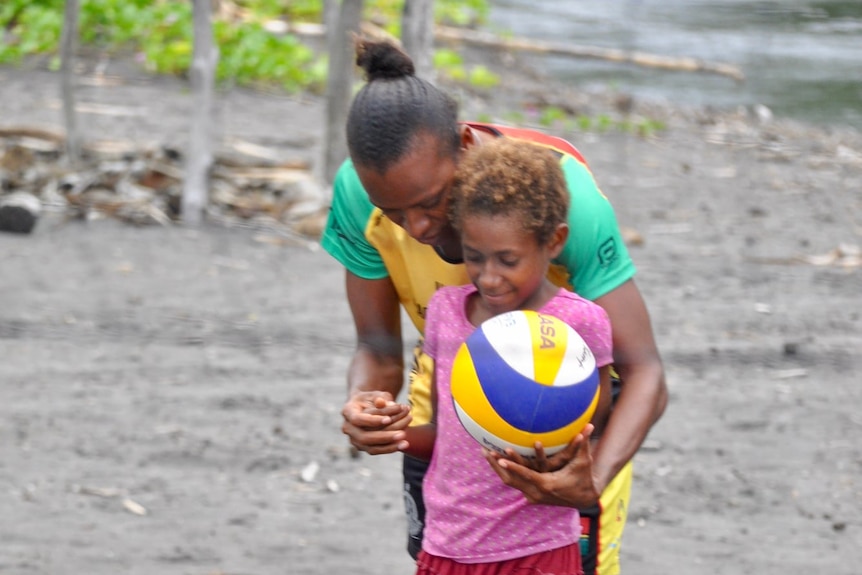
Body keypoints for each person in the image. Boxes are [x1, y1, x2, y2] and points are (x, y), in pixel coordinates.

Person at [321, 38, 667, 575]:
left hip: (567, 417)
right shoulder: (357, 192)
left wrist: (591, 474)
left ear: (463, 145)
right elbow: (378, 348)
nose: (416, 228)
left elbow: (645, 371)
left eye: (431, 202)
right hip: (447, 401)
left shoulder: (558, 198)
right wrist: (365, 405)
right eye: (393, 211)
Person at [397, 137, 615, 574]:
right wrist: (394, 432)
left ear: (553, 242)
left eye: (508, 260)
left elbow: (597, 418)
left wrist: (563, 451)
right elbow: (443, 433)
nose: (490, 277)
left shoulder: (580, 323)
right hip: (447, 546)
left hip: (539, 550)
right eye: (475, 258)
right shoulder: (447, 311)